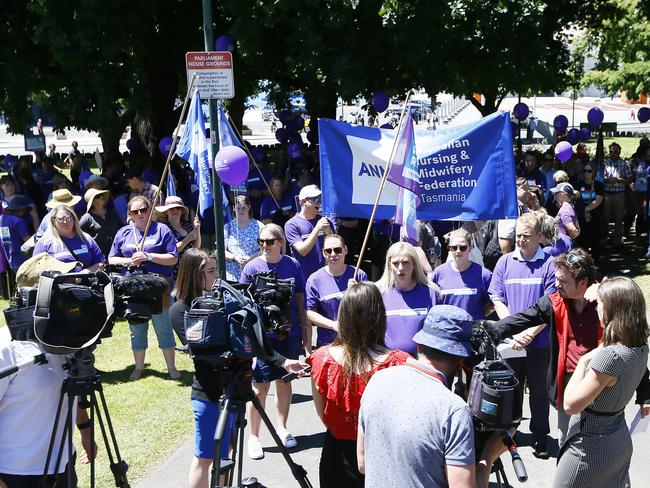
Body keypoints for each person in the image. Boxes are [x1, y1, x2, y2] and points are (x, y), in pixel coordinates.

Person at [487, 249, 607, 446]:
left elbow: (629, 340)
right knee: (567, 443)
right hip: (569, 385)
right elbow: (524, 318)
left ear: (584, 282)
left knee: (599, 446)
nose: (557, 284)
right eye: (557, 278)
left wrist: (645, 393)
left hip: (600, 382)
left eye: (564, 281)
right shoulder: (554, 302)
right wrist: (493, 330)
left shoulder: (606, 300)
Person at [357, 305, 476, 487]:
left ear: (419, 345)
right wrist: (488, 459)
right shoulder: (453, 410)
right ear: (461, 360)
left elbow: (363, 463)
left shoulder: (377, 380)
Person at [306, 281, 409, 487]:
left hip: (336, 454)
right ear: (379, 317)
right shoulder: (398, 362)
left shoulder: (321, 359)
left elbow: (323, 414)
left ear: (343, 316)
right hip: (382, 456)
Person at [553, 277, 650, 488]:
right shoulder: (640, 348)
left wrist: (583, 360)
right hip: (618, 440)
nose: (596, 309)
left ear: (613, 311)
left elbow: (570, 405)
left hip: (588, 449)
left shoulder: (610, 357)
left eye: (600, 304)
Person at [488, 212, 556, 458]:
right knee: (511, 390)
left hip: (538, 342)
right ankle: (509, 435)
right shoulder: (504, 262)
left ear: (539, 236)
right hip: (511, 343)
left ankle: (540, 436)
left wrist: (528, 333)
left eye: (526, 236)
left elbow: (550, 304)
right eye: (518, 235)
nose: (520, 240)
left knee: (538, 392)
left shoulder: (549, 264)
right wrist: (513, 330)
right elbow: (497, 297)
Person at [0, 312, 96, 486]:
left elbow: (72, 387)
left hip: (63, 463)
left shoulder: (67, 336)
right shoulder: (6, 346)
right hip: (14, 474)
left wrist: (86, 433)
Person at [240, 224, 307, 458]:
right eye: (261, 242)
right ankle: (254, 437)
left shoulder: (293, 264)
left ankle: (282, 428)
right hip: (262, 338)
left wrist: (305, 332)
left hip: (289, 334)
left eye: (269, 241)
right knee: (259, 388)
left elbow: (300, 298)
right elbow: (244, 306)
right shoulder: (251, 268)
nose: (265, 246)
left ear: (280, 242)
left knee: (285, 382)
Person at [108, 196, 179, 381]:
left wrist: (148, 256)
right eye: (135, 211)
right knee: (137, 328)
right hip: (133, 288)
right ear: (130, 214)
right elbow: (111, 258)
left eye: (143, 210)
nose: (140, 214)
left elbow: (173, 258)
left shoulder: (162, 230)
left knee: (163, 327)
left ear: (150, 210)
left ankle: (171, 368)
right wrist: (129, 260)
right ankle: (139, 368)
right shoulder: (123, 232)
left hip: (159, 287)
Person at [305, 234, 368, 348]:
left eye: (338, 250)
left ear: (345, 250)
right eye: (328, 251)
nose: (333, 254)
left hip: (356, 341)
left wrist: (355, 293)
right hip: (327, 344)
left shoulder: (359, 275)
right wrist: (334, 325)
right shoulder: (314, 280)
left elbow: (368, 309)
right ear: (324, 253)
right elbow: (310, 313)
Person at [376, 241, 439, 355]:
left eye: (405, 262)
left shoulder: (432, 293)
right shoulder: (378, 293)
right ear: (389, 265)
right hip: (388, 363)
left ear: (414, 264)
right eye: (395, 263)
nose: (400, 268)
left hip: (421, 363)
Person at [431, 228, 493, 320]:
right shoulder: (438, 273)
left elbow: (494, 303)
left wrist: (478, 317)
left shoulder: (484, 275)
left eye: (463, 247)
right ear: (450, 249)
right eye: (454, 247)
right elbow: (431, 304)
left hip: (473, 332)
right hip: (446, 332)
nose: (458, 251)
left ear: (471, 248)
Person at [284, 184, 335, 285]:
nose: (319, 202)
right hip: (304, 277)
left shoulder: (325, 220)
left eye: (320, 198)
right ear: (304, 201)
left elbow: (336, 246)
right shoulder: (291, 224)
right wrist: (317, 229)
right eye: (316, 199)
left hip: (326, 274)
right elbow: (303, 251)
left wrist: (329, 232)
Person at [33, 204, 104, 272]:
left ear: (74, 218)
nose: (65, 221)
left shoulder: (86, 238)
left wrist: (85, 273)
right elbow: (35, 269)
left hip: (86, 283)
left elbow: (100, 263)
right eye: (61, 219)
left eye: (68, 218)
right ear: (53, 220)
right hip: (59, 284)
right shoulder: (45, 243)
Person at [154, 195, 201, 280]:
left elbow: (196, 247)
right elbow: (173, 250)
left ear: (182, 211)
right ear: (167, 211)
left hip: (189, 267)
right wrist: (188, 238)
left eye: (178, 208)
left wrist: (197, 229)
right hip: (173, 270)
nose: (175, 211)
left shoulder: (187, 226)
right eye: (172, 209)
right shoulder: (163, 228)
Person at [224, 195, 263, 282]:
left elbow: (265, 249)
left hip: (254, 273)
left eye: (244, 208)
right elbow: (221, 250)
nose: (241, 211)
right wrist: (235, 257)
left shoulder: (259, 226)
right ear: (233, 208)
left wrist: (250, 258)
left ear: (249, 207)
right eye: (238, 208)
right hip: (232, 276)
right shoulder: (227, 227)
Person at [79, 188, 123, 258]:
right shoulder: (87, 217)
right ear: (92, 201)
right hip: (99, 257)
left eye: (101, 195)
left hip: (117, 255)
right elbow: (78, 233)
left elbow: (121, 229)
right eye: (98, 196)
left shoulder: (112, 213)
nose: (101, 197)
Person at [603, 142, 632, 246]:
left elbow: (630, 179)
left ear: (619, 152)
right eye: (611, 151)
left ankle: (616, 241)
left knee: (618, 219)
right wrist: (607, 180)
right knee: (605, 218)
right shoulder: (604, 163)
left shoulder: (624, 164)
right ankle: (604, 239)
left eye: (615, 151)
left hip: (619, 194)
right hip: (606, 194)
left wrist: (620, 180)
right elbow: (599, 178)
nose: (613, 153)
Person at [575, 163, 606, 262]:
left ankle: (595, 264)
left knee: (595, 242)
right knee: (582, 243)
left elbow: (598, 200)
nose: (586, 173)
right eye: (584, 171)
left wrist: (586, 209)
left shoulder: (598, 185)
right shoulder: (579, 184)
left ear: (593, 172)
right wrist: (583, 211)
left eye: (589, 171)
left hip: (595, 218)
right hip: (582, 219)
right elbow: (577, 200)